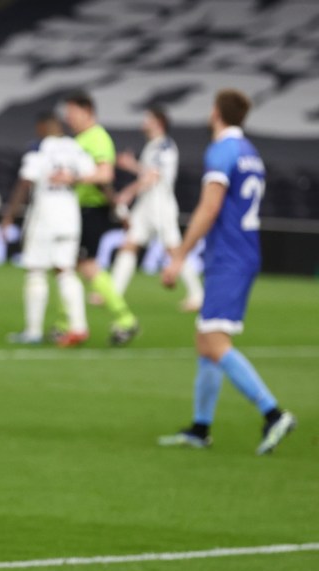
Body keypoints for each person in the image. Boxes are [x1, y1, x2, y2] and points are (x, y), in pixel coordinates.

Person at [159, 89, 295, 455]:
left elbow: (209, 207)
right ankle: (200, 428)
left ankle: (273, 413)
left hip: (229, 258)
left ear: (216, 113)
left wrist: (179, 257)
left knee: (215, 342)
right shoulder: (250, 153)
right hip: (242, 252)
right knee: (205, 341)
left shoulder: (221, 150)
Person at [3, 113, 95, 346]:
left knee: (36, 271)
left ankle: (33, 331)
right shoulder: (75, 147)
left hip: (44, 217)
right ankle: (78, 326)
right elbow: (92, 175)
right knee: (65, 270)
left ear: (43, 126)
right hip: (70, 217)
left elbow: (25, 181)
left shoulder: (38, 147)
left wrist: (9, 216)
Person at [56, 91, 139, 345]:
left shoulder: (98, 138)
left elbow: (105, 175)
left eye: (72, 112)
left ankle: (125, 319)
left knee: (83, 265)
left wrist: (75, 179)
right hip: (79, 209)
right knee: (67, 264)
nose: (68, 118)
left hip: (91, 209)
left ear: (86, 111)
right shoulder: (81, 138)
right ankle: (66, 322)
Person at [113, 105, 203, 311]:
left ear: (158, 122)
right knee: (129, 243)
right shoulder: (153, 146)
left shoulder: (165, 147)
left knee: (173, 249)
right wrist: (133, 166)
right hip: (147, 203)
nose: (143, 122)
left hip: (160, 204)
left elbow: (154, 176)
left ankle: (197, 294)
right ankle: (114, 292)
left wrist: (128, 191)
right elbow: (150, 172)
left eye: (148, 119)